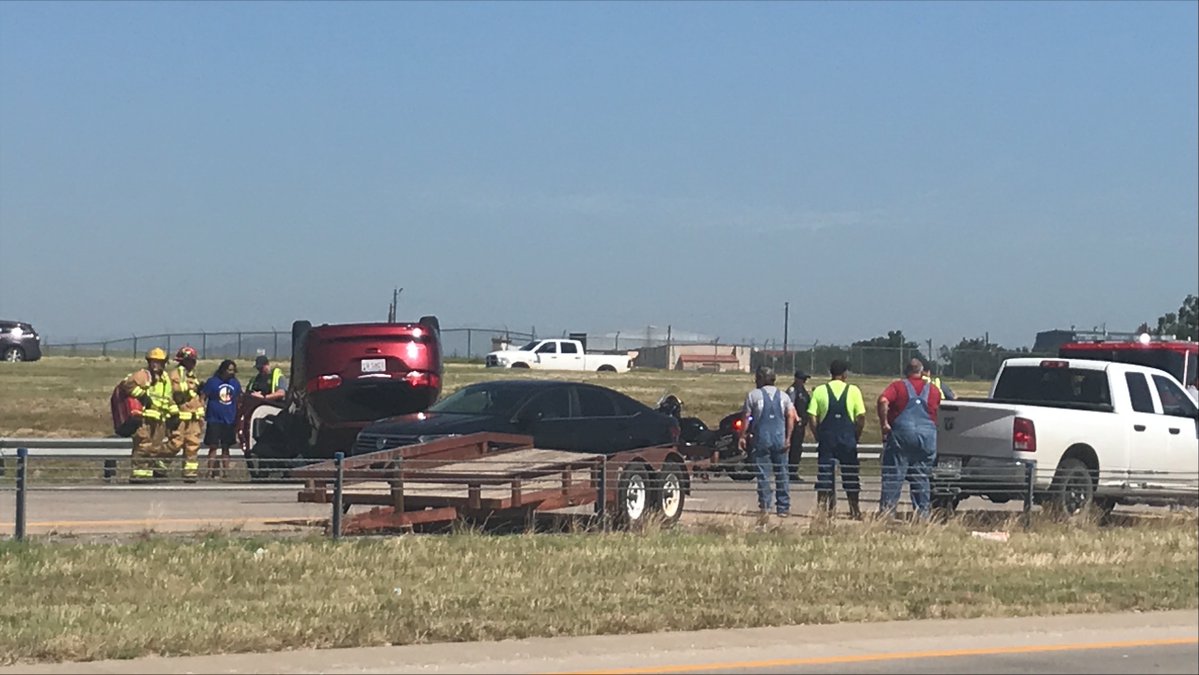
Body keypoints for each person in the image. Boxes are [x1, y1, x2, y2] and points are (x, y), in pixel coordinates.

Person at [877, 358, 942, 520]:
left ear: (906, 372)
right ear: (922, 372)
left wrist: (884, 423)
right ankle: (923, 516)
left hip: (902, 436)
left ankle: (887, 514)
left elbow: (883, 400)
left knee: (894, 474)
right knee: (921, 476)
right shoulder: (933, 390)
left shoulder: (898, 386)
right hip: (926, 437)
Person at [807, 359, 867, 519]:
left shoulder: (820, 391)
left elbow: (812, 416)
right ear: (845, 374)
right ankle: (855, 509)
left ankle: (824, 510)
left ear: (830, 373)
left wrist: (817, 435)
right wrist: (856, 435)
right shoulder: (853, 391)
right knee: (851, 474)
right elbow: (861, 417)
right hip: (847, 438)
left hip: (827, 438)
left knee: (824, 474)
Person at [737, 366, 798, 517]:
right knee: (782, 473)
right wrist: (788, 437)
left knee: (763, 474)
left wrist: (742, 436)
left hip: (761, 439)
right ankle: (783, 507)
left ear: (761, 379)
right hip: (780, 439)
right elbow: (791, 416)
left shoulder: (753, 396)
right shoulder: (784, 396)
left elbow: (746, 418)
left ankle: (765, 506)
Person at [119, 347, 177, 482]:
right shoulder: (143, 375)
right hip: (144, 418)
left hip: (159, 420)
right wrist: (143, 396)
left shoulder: (165, 379)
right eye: (154, 361)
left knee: (155, 448)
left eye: (160, 362)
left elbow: (168, 398)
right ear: (149, 362)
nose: (156, 365)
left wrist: (174, 413)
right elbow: (126, 385)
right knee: (143, 446)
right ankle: (139, 474)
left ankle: (148, 473)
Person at [167, 346, 204, 482]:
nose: (194, 363)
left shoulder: (191, 375)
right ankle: (159, 468)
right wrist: (193, 387)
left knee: (193, 445)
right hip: (181, 417)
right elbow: (177, 389)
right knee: (175, 444)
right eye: (191, 360)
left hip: (193, 418)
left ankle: (190, 473)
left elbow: (196, 398)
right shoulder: (176, 374)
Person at [201, 359, 242, 479]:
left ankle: (226, 472)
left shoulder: (235, 383)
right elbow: (203, 397)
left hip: (229, 420)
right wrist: (201, 411)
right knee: (213, 446)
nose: (231, 372)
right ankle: (209, 471)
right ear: (223, 370)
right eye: (229, 370)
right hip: (214, 419)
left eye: (233, 370)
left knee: (226, 448)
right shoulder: (212, 382)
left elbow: (239, 399)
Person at [784, 369, 812, 481]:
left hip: (801, 425)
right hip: (794, 424)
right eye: (802, 379)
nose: (804, 381)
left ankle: (793, 470)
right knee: (793, 448)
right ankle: (790, 472)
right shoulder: (792, 390)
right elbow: (790, 406)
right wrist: (797, 419)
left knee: (797, 448)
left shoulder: (803, 391)